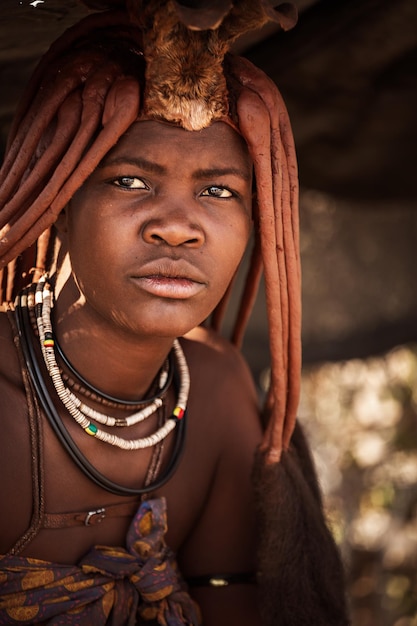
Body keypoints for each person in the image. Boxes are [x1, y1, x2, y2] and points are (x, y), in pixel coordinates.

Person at [0, 1, 350, 624]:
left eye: (218, 191)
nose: (177, 228)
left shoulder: (214, 392)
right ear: (58, 201)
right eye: (131, 181)